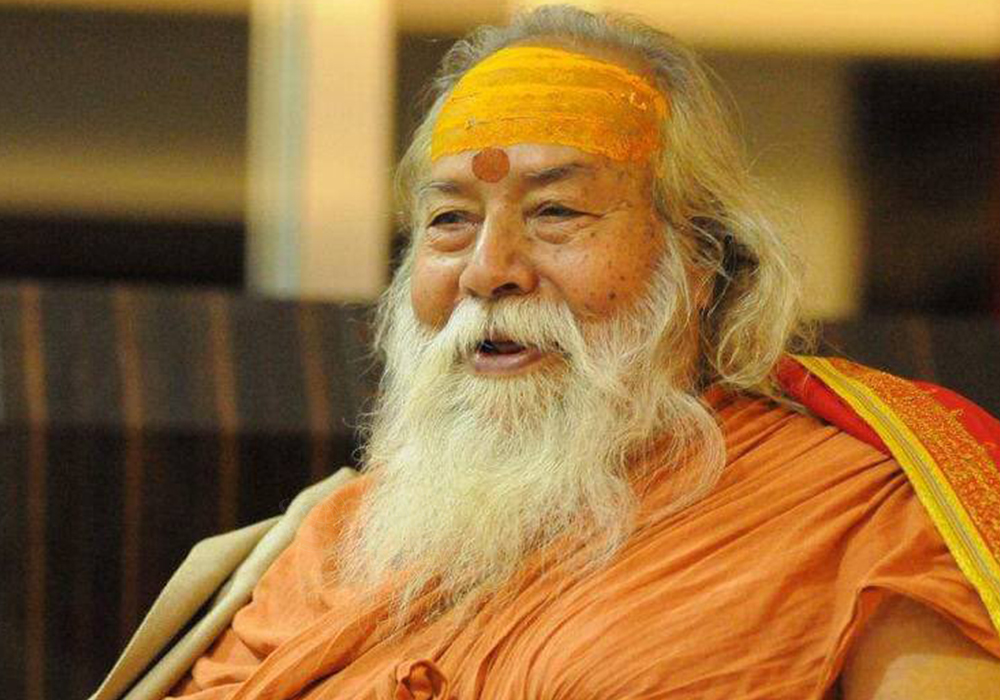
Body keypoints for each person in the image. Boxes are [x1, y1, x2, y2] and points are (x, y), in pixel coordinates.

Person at [91, 5, 1000, 699]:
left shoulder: (866, 515)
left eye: (557, 211)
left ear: (701, 263)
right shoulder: (337, 542)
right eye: (450, 220)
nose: (489, 271)